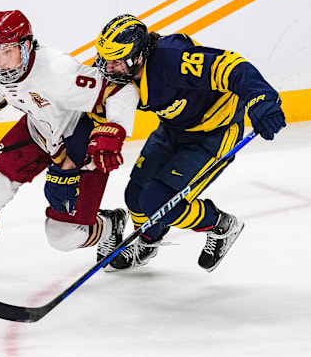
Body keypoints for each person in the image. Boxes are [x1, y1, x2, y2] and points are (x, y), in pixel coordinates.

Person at [0, 10, 140, 273]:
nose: (1, 62)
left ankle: (111, 225)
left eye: (8, 51)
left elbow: (120, 89)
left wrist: (114, 129)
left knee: (63, 236)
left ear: (27, 46)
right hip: (38, 131)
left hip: (79, 141)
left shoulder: (57, 69)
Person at [93, 14, 286, 272]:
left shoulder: (173, 59)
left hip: (214, 134)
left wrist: (261, 99)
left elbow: (231, 66)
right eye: (105, 58)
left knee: (157, 201)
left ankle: (221, 225)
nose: (108, 66)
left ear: (138, 55)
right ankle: (148, 241)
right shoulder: (122, 76)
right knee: (136, 197)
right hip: (172, 130)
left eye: (116, 59)